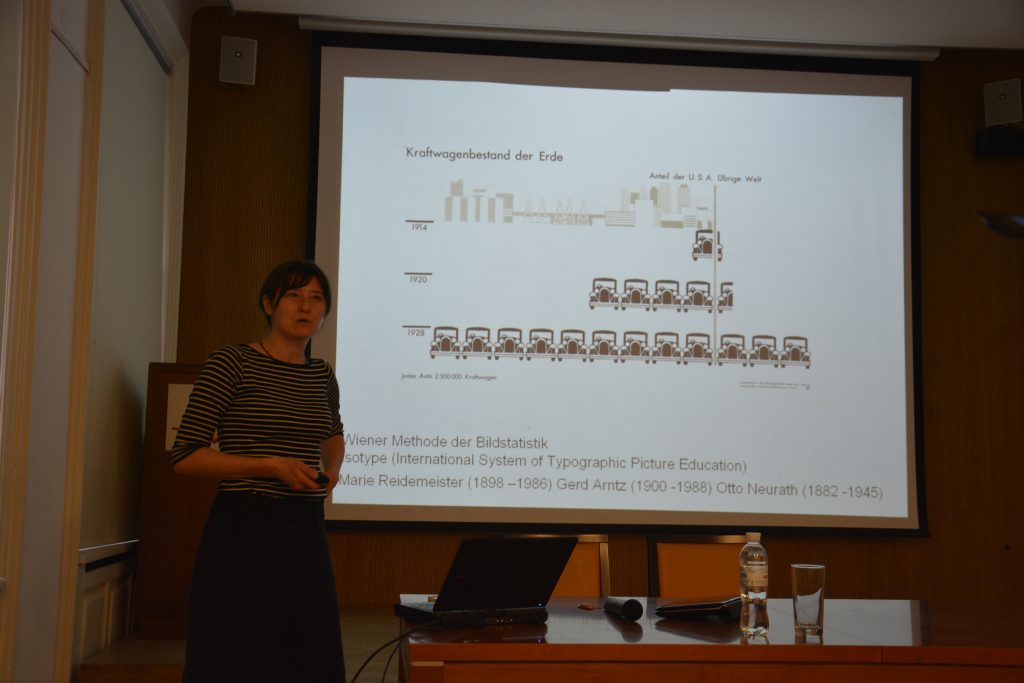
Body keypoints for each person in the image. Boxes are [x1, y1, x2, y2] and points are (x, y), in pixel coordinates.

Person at [171, 260, 346, 682]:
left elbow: (333, 432)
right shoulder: (231, 362)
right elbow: (186, 455)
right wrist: (269, 466)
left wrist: (333, 469)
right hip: (244, 527)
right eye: (293, 295)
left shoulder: (322, 375)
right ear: (268, 305)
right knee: (238, 652)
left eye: (316, 298)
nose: (305, 306)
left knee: (308, 652)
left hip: (305, 528)